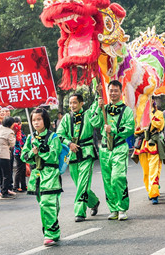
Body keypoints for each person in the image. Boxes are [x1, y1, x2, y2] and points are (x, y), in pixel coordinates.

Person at [57, 93, 103, 222]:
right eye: (70, 103)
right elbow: (59, 134)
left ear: (82, 103)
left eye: (75, 103)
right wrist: (69, 143)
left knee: (83, 184)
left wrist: (98, 95)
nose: (72, 105)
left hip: (87, 153)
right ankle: (94, 202)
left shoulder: (88, 114)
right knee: (79, 185)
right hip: (72, 155)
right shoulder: (66, 118)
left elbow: (96, 113)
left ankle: (79, 212)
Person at [21, 108, 62, 247]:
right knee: (43, 205)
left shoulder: (53, 137)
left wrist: (41, 149)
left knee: (47, 203)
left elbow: (54, 155)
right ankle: (50, 229)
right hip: (37, 176)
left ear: (45, 120)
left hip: (51, 174)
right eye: (33, 120)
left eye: (39, 119)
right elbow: (24, 156)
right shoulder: (30, 138)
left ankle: (51, 233)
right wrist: (32, 152)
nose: (36, 122)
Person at [97, 80, 135, 221]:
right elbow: (94, 122)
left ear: (120, 92)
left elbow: (130, 128)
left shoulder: (127, 111)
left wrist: (112, 129)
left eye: (115, 90)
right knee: (107, 180)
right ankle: (113, 208)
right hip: (105, 149)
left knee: (117, 177)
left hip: (119, 147)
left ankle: (122, 207)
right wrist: (97, 105)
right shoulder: (104, 109)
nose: (113, 93)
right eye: (110, 90)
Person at [133, 98, 165, 204]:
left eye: (150, 99)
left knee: (154, 170)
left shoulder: (159, 113)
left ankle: (154, 193)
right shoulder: (139, 114)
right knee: (146, 172)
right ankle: (150, 191)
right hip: (143, 145)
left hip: (154, 144)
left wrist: (149, 116)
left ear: (153, 101)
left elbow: (159, 125)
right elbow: (135, 130)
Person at [13, 117, 27, 192]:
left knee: (23, 169)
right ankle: (16, 186)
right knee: (19, 169)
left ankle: (23, 185)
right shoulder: (16, 132)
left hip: (21, 152)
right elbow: (20, 142)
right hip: (19, 152)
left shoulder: (18, 131)